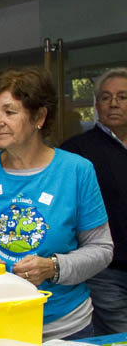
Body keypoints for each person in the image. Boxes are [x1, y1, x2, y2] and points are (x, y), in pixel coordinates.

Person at [0, 67, 113, 341]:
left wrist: (54, 267)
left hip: (64, 325)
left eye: (9, 112)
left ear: (39, 117)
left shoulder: (76, 171)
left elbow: (102, 248)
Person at [60, 67, 127, 335]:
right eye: (106, 97)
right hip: (107, 272)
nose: (114, 104)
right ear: (96, 104)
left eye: (122, 97)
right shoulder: (76, 151)